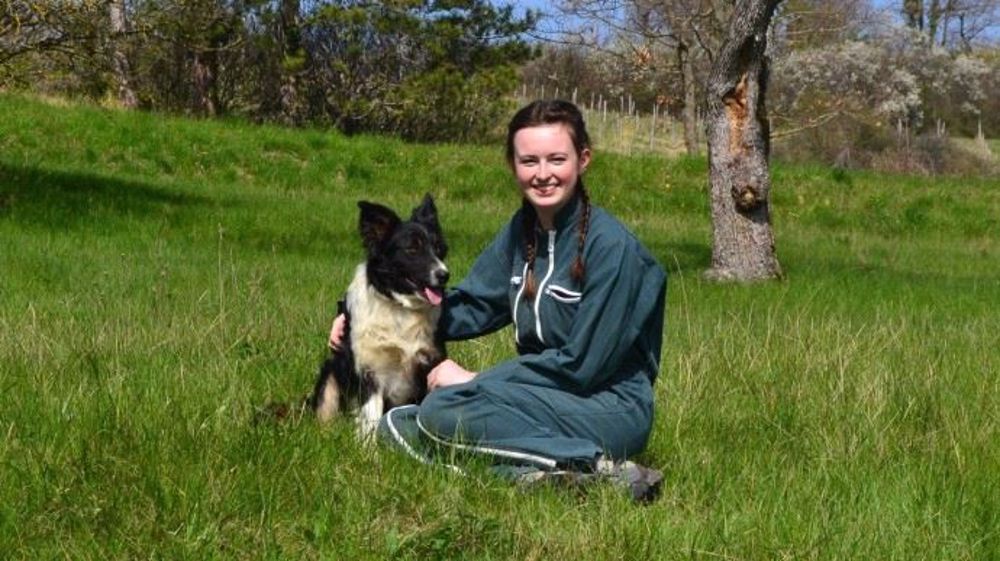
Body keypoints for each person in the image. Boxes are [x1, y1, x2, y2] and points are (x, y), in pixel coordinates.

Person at [329, 99, 667, 501]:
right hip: (533, 396)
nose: (543, 174)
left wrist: (477, 381)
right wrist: (363, 318)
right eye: (529, 161)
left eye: (556, 159)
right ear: (513, 165)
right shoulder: (520, 232)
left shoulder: (613, 249)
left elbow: (583, 366)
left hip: (607, 405)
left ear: (583, 159)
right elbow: (470, 306)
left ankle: (594, 462)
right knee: (395, 426)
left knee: (442, 411)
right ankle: (545, 481)